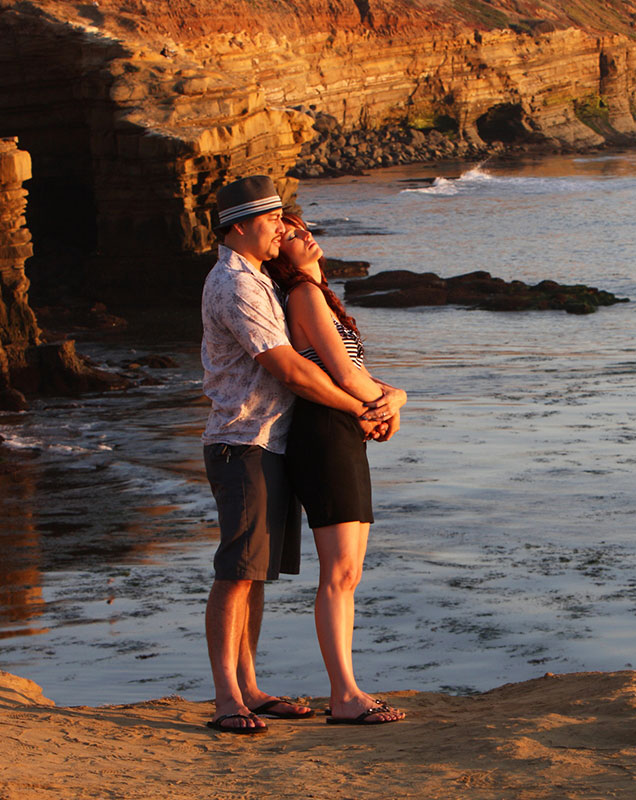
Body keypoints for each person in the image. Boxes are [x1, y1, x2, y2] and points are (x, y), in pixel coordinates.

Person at [201, 176, 395, 735]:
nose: (282, 230)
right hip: (243, 441)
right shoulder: (235, 283)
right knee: (236, 573)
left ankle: (251, 687)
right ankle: (226, 698)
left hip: (273, 440)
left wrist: (381, 399)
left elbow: (320, 365)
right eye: (272, 222)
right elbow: (289, 367)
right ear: (238, 226)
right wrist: (360, 407)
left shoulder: (260, 281)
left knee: (254, 574)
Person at [265, 215, 408, 725]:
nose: (304, 234)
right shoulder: (304, 296)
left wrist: (395, 397)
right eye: (289, 234)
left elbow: (356, 373)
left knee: (348, 572)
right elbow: (344, 375)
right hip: (324, 433)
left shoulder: (317, 295)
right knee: (340, 572)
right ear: (281, 258)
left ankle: (346, 690)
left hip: (340, 430)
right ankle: (344, 696)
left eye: (301, 226)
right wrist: (388, 405)